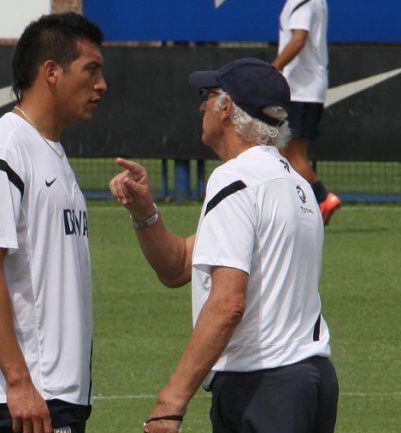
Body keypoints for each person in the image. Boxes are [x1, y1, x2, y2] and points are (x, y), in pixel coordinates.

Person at [109, 58, 339, 433]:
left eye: (208, 95)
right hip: (310, 382)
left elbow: (228, 302)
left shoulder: (235, 179)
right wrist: (143, 211)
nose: (201, 105)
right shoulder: (293, 183)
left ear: (227, 107)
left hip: (263, 388)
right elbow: (178, 265)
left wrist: (170, 402)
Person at [0, 12, 106, 433]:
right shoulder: (1, 148)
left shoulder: (48, 149)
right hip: (26, 392)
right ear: (51, 72)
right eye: (92, 70)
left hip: (57, 389)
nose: (101, 85)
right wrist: (19, 382)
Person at [273, 0, 341, 225]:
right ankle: (305, 206)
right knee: (286, 153)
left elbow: (299, 38)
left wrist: (275, 68)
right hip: (305, 88)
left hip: (301, 89)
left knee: (291, 155)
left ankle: (322, 198)